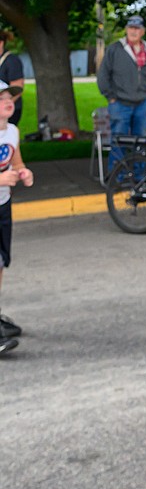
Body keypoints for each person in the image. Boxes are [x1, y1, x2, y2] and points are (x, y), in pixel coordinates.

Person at [97, 15, 146, 172]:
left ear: (143, 31)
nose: (134, 31)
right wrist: (110, 97)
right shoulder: (115, 49)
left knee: (141, 141)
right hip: (119, 103)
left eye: (137, 28)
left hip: (143, 103)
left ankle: (140, 178)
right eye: (131, 28)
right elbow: (103, 75)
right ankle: (117, 178)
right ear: (126, 29)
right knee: (119, 142)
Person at [0, 80, 34, 356]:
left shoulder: (12, 131)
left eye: (9, 96)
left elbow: (16, 162)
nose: (8, 101)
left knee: (1, 263)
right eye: (1, 98)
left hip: (3, 206)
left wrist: (23, 172)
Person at [0, 31, 26, 128]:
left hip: (7, 112)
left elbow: (17, 88)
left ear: (1, 43)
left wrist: (4, 104)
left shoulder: (11, 61)